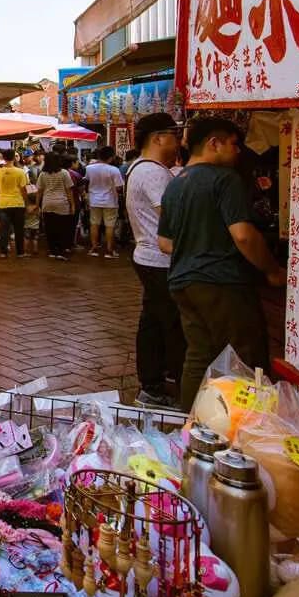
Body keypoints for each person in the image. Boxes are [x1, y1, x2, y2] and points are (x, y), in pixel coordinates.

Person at [159, 118, 287, 407]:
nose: (238, 150)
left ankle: (191, 422)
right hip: (223, 282)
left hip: (182, 282)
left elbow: (164, 242)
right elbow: (243, 236)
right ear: (213, 143)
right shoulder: (225, 179)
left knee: (198, 355)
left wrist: (197, 247)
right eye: (234, 143)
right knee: (246, 357)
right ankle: (249, 424)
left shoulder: (174, 184)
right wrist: (273, 270)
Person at [125, 113, 185, 409]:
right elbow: (172, 218)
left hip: (148, 257)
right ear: (158, 138)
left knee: (153, 322)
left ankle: (151, 385)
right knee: (171, 326)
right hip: (160, 259)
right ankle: (166, 387)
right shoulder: (153, 173)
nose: (179, 143)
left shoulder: (142, 168)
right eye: (175, 136)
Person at [85, 147, 125, 258]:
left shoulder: (89, 168)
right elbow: (119, 187)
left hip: (94, 200)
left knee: (94, 224)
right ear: (111, 157)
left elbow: (87, 181)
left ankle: (94, 248)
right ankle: (109, 251)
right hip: (110, 201)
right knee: (110, 226)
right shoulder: (114, 170)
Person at [36, 151, 77, 260]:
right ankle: (60, 251)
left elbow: (39, 191)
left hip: (47, 203)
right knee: (62, 228)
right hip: (61, 203)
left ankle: (52, 251)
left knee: (50, 228)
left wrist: (37, 205)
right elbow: (69, 191)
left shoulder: (43, 174)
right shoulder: (64, 173)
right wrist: (72, 204)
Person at [0, 152, 30, 258]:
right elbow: (24, 190)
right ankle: (20, 252)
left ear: (4, 158)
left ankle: (3, 252)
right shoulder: (20, 172)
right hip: (18, 203)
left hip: (3, 204)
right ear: (14, 158)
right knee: (19, 229)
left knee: (4, 229)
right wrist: (27, 204)